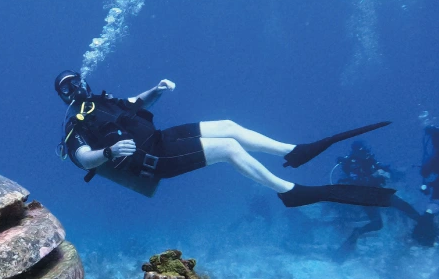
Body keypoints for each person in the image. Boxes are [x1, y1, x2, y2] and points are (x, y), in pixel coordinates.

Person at [54, 70, 395, 208]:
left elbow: (137, 102)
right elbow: (83, 158)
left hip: (159, 139)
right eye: (65, 87)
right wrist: (110, 151)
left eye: (75, 80)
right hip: (149, 160)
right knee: (228, 148)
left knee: (229, 125)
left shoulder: (103, 101)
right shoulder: (74, 122)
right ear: (63, 96)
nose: (75, 87)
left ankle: (294, 151)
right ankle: (289, 191)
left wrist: (156, 90)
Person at [333, 141, 425, 254]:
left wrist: (391, 172)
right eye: (362, 151)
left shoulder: (368, 159)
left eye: (366, 150)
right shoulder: (353, 164)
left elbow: (380, 167)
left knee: (403, 206)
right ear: (356, 152)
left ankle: (425, 224)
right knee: (377, 223)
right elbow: (357, 181)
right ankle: (355, 234)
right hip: (365, 197)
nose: (366, 153)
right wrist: (374, 175)